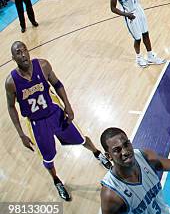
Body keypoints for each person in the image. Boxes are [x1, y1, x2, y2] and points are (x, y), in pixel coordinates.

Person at [5, 41, 112, 201]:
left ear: (28, 51)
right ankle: (57, 181)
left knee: (81, 138)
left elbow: (57, 84)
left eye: (24, 50)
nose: (23, 55)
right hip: (37, 124)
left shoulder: (43, 65)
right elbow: (11, 107)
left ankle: (97, 153)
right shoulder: (11, 82)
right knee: (47, 157)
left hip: (56, 113)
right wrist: (21, 135)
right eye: (18, 53)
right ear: (13, 58)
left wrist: (68, 106)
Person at [110, 0, 165, 68]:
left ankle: (150, 56)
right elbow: (113, 8)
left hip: (139, 9)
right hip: (130, 14)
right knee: (138, 38)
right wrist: (126, 14)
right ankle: (139, 58)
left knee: (146, 34)